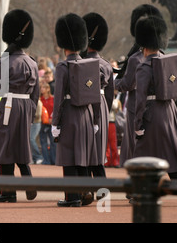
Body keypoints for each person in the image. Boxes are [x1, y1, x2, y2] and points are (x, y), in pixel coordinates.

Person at [0, 9, 39, 203]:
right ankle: (28, 182)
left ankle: (7, 192)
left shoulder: (7, 61)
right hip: (26, 106)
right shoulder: (32, 62)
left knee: (5, 146)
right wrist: (29, 110)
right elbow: (35, 95)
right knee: (21, 144)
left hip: (9, 105)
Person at [51, 13, 95, 207]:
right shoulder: (89, 64)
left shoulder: (63, 67)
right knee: (82, 154)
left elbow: (59, 97)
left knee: (69, 155)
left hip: (69, 113)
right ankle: (86, 192)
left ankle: (72, 197)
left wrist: (55, 123)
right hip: (86, 114)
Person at [133, 16, 177, 180]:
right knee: (171, 151)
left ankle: (140, 189)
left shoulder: (144, 67)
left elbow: (140, 99)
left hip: (152, 114)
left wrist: (138, 123)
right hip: (170, 111)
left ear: (143, 45)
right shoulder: (169, 62)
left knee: (143, 152)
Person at [115, 4, 163, 167]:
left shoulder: (136, 59)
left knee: (135, 148)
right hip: (159, 108)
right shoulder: (163, 56)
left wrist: (114, 82)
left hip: (137, 107)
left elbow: (128, 84)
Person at [82, 12, 115, 178]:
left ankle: (86, 189)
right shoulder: (106, 65)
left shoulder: (79, 64)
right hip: (102, 107)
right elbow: (110, 95)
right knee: (98, 153)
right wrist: (104, 112)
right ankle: (103, 193)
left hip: (84, 108)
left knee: (85, 152)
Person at [39, 81, 56, 165]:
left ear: (48, 89)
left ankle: (54, 160)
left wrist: (51, 118)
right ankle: (46, 161)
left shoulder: (53, 99)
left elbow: (55, 110)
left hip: (51, 123)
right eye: (41, 88)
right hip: (42, 123)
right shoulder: (39, 99)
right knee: (43, 142)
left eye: (44, 87)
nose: (42, 89)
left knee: (53, 142)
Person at [105, 92, 121, 167]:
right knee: (107, 144)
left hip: (111, 122)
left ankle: (115, 161)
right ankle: (108, 161)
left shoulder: (114, 99)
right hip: (106, 122)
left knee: (113, 143)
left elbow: (115, 106)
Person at [30, 99, 43, 164]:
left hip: (36, 123)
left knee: (31, 139)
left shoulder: (38, 102)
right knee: (30, 140)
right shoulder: (31, 101)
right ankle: (32, 157)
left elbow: (38, 114)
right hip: (31, 123)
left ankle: (39, 157)